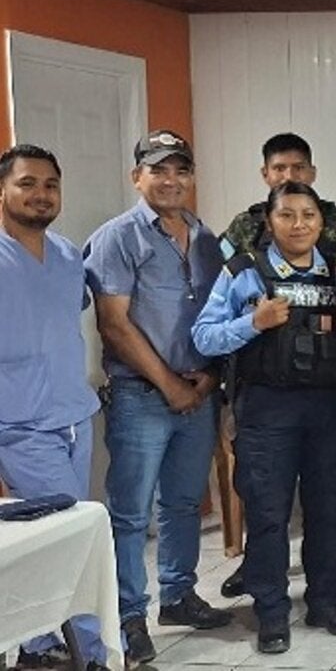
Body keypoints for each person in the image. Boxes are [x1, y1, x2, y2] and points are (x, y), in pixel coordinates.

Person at [192, 181, 336, 654]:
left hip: (331, 408)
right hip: (268, 407)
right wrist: (254, 323)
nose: (299, 224)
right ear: (269, 221)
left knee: (330, 510)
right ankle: (271, 613)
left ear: (321, 221)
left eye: (308, 215)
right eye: (287, 215)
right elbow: (204, 337)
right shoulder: (244, 271)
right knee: (268, 515)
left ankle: (326, 602)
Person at [84, 130, 230, 667]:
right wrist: (171, 385)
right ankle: (127, 616)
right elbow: (114, 325)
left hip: (198, 391)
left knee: (184, 503)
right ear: (137, 177)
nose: (171, 181)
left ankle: (178, 595)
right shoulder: (117, 238)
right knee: (130, 512)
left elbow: (221, 315)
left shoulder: (208, 238)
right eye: (158, 170)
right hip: (141, 395)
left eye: (181, 170)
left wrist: (208, 379)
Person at [218, 133, 336, 598]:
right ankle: (261, 575)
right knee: (263, 494)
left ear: (312, 173)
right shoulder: (244, 231)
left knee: (332, 489)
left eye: (298, 169)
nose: (290, 177)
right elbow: (217, 300)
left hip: (331, 382)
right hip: (264, 382)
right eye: (279, 170)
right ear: (266, 176)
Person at [0, 145, 108, 670]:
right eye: (27, 183)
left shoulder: (68, 257)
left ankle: (38, 646)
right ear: (3, 190)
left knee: (48, 540)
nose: (41, 194)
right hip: (20, 426)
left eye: (50, 184)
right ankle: (98, 656)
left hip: (74, 416)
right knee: (76, 538)